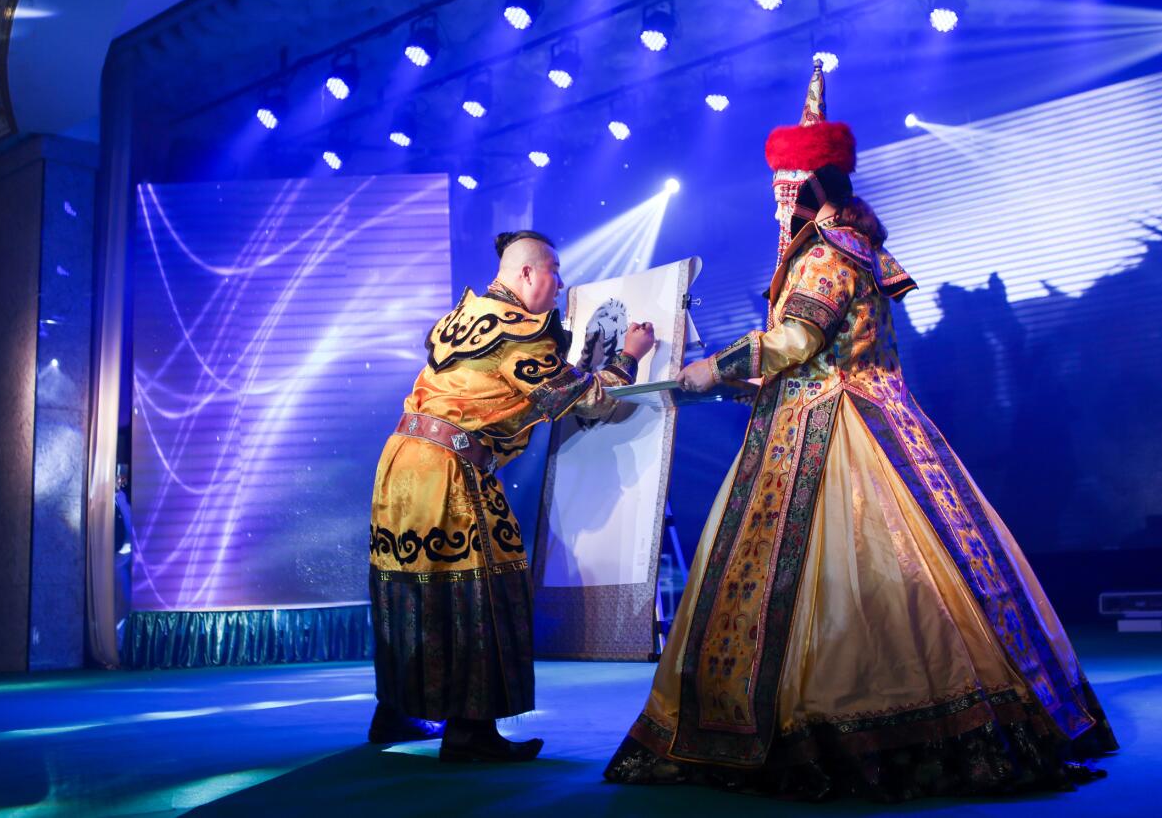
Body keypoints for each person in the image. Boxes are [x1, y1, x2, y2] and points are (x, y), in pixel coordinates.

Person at [604, 57, 1116, 800]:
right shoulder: (853, 247)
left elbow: (796, 342)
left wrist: (717, 366)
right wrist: (730, 381)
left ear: (804, 186)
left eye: (783, 187)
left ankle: (847, 725)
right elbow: (807, 356)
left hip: (835, 429)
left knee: (849, 580)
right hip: (856, 412)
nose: (777, 202)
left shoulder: (826, 253)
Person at [369, 230, 656, 762]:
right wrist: (629, 356)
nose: (560, 284)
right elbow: (588, 400)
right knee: (478, 589)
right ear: (526, 273)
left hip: (401, 463)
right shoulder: (521, 331)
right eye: (554, 270)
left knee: (412, 585)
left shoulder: (464, 317)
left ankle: (398, 711)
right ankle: (471, 733)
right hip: (449, 468)